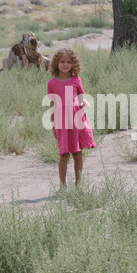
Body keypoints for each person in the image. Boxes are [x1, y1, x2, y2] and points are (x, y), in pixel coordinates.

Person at [47, 48, 96, 186]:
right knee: (64, 155)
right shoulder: (52, 83)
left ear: (73, 64)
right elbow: (52, 103)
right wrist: (53, 124)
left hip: (77, 120)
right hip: (61, 122)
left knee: (77, 153)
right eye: (62, 61)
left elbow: (81, 96)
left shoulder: (76, 80)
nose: (65, 64)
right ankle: (62, 185)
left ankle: (78, 184)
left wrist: (84, 101)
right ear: (56, 63)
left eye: (69, 62)